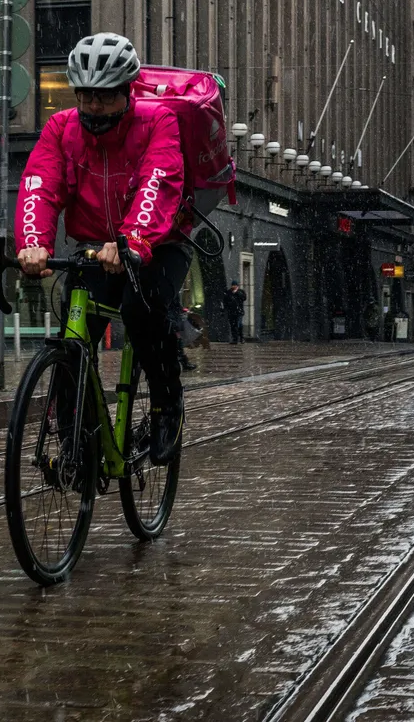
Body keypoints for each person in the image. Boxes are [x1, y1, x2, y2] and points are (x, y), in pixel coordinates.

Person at [15, 32, 190, 466]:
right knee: (73, 336)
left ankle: (168, 407)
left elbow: (159, 182)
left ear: (128, 92)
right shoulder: (62, 128)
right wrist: (33, 243)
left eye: (105, 97)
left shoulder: (158, 121)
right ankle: (76, 436)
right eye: (86, 96)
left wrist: (132, 239)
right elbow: (40, 185)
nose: (94, 106)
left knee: (140, 310)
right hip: (94, 249)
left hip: (160, 244)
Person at [223, 279, 247, 343]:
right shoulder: (228, 292)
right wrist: (225, 309)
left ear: (237, 286)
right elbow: (225, 301)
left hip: (239, 312)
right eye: (233, 285)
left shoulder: (241, 291)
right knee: (233, 326)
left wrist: (237, 292)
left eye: (235, 285)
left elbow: (244, 298)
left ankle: (241, 338)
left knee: (238, 324)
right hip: (231, 312)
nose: (234, 287)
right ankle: (235, 339)